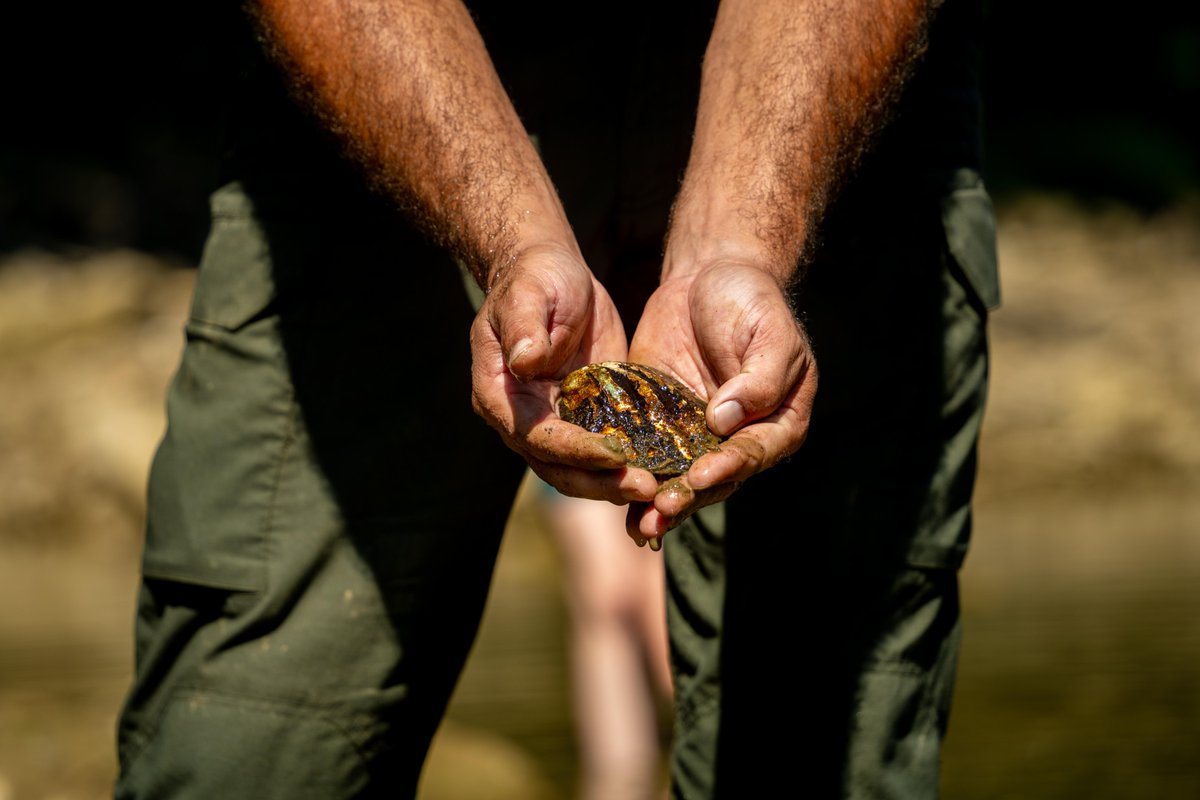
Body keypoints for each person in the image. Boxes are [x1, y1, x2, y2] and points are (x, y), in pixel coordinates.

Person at [115, 0, 998, 798]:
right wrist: (510, 237)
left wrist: (741, 243)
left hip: (829, 79)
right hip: (375, 90)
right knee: (250, 743)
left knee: (818, 739)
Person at [536, 479, 673, 800]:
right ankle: (619, 780)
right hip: (576, 437)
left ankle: (699, 754)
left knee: (659, 597)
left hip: (671, 447)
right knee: (606, 592)